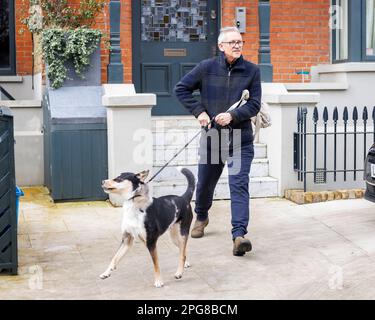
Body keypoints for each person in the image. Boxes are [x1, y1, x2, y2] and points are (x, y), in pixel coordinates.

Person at [174, 26, 261, 256]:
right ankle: (201, 216)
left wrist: (232, 115)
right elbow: (181, 89)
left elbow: (254, 105)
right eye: (232, 42)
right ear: (221, 46)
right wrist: (200, 112)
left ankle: (239, 235)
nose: (237, 45)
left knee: (239, 185)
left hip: (240, 140)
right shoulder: (206, 68)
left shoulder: (252, 71)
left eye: (240, 41)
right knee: (204, 185)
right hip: (213, 138)